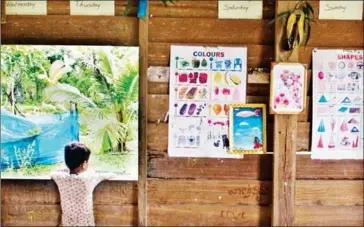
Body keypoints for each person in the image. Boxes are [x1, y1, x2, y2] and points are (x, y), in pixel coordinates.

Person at [51, 142, 115, 226]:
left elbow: (53, 173)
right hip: (86, 223)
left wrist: (66, 169)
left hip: (67, 223)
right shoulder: (89, 178)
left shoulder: (60, 178)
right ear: (84, 164)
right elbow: (110, 175)